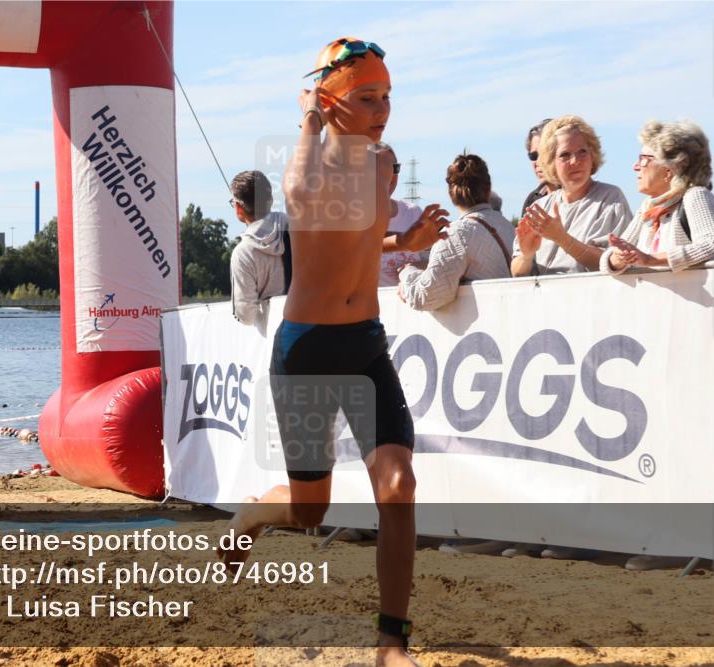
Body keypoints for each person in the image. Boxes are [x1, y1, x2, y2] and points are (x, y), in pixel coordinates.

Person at [218, 37, 429, 665]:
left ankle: (391, 641)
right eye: (367, 97)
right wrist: (308, 120)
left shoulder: (382, 163)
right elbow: (305, 195)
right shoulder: (308, 168)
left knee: (399, 485)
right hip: (306, 351)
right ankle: (254, 515)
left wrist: (402, 239)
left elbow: (357, 243)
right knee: (311, 512)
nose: (382, 108)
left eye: (387, 96)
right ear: (334, 105)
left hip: (365, 345)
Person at [601, 120, 714, 276]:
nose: (635, 166)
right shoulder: (648, 206)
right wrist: (619, 258)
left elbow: (713, 244)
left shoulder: (695, 196)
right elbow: (609, 258)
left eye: (643, 159)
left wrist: (650, 260)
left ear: (669, 169)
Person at [512, 115, 633, 276]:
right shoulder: (539, 208)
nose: (575, 161)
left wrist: (561, 238)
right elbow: (516, 273)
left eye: (582, 152)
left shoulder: (610, 199)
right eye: (565, 155)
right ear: (550, 161)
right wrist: (526, 256)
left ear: (593, 155)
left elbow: (613, 263)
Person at [398, 153, 514, 310]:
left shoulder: (455, 234)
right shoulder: (510, 228)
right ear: (488, 188)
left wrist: (407, 273)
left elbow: (427, 297)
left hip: (481, 329)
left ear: (450, 193)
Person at [229, 170, 290, 326]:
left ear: (238, 208)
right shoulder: (298, 228)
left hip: (276, 337)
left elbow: (246, 315)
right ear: (270, 199)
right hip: (318, 325)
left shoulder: (242, 254)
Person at [378, 144, 440, 287]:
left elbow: (429, 262)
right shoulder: (350, 216)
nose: (390, 175)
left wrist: (413, 269)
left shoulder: (412, 212)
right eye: (381, 167)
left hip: (407, 307)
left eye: (395, 168)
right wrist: (403, 241)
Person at [520, 118, 556, 215]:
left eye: (544, 154)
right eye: (534, 156)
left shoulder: (584, 197)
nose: (539, 162)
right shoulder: (532, 200)